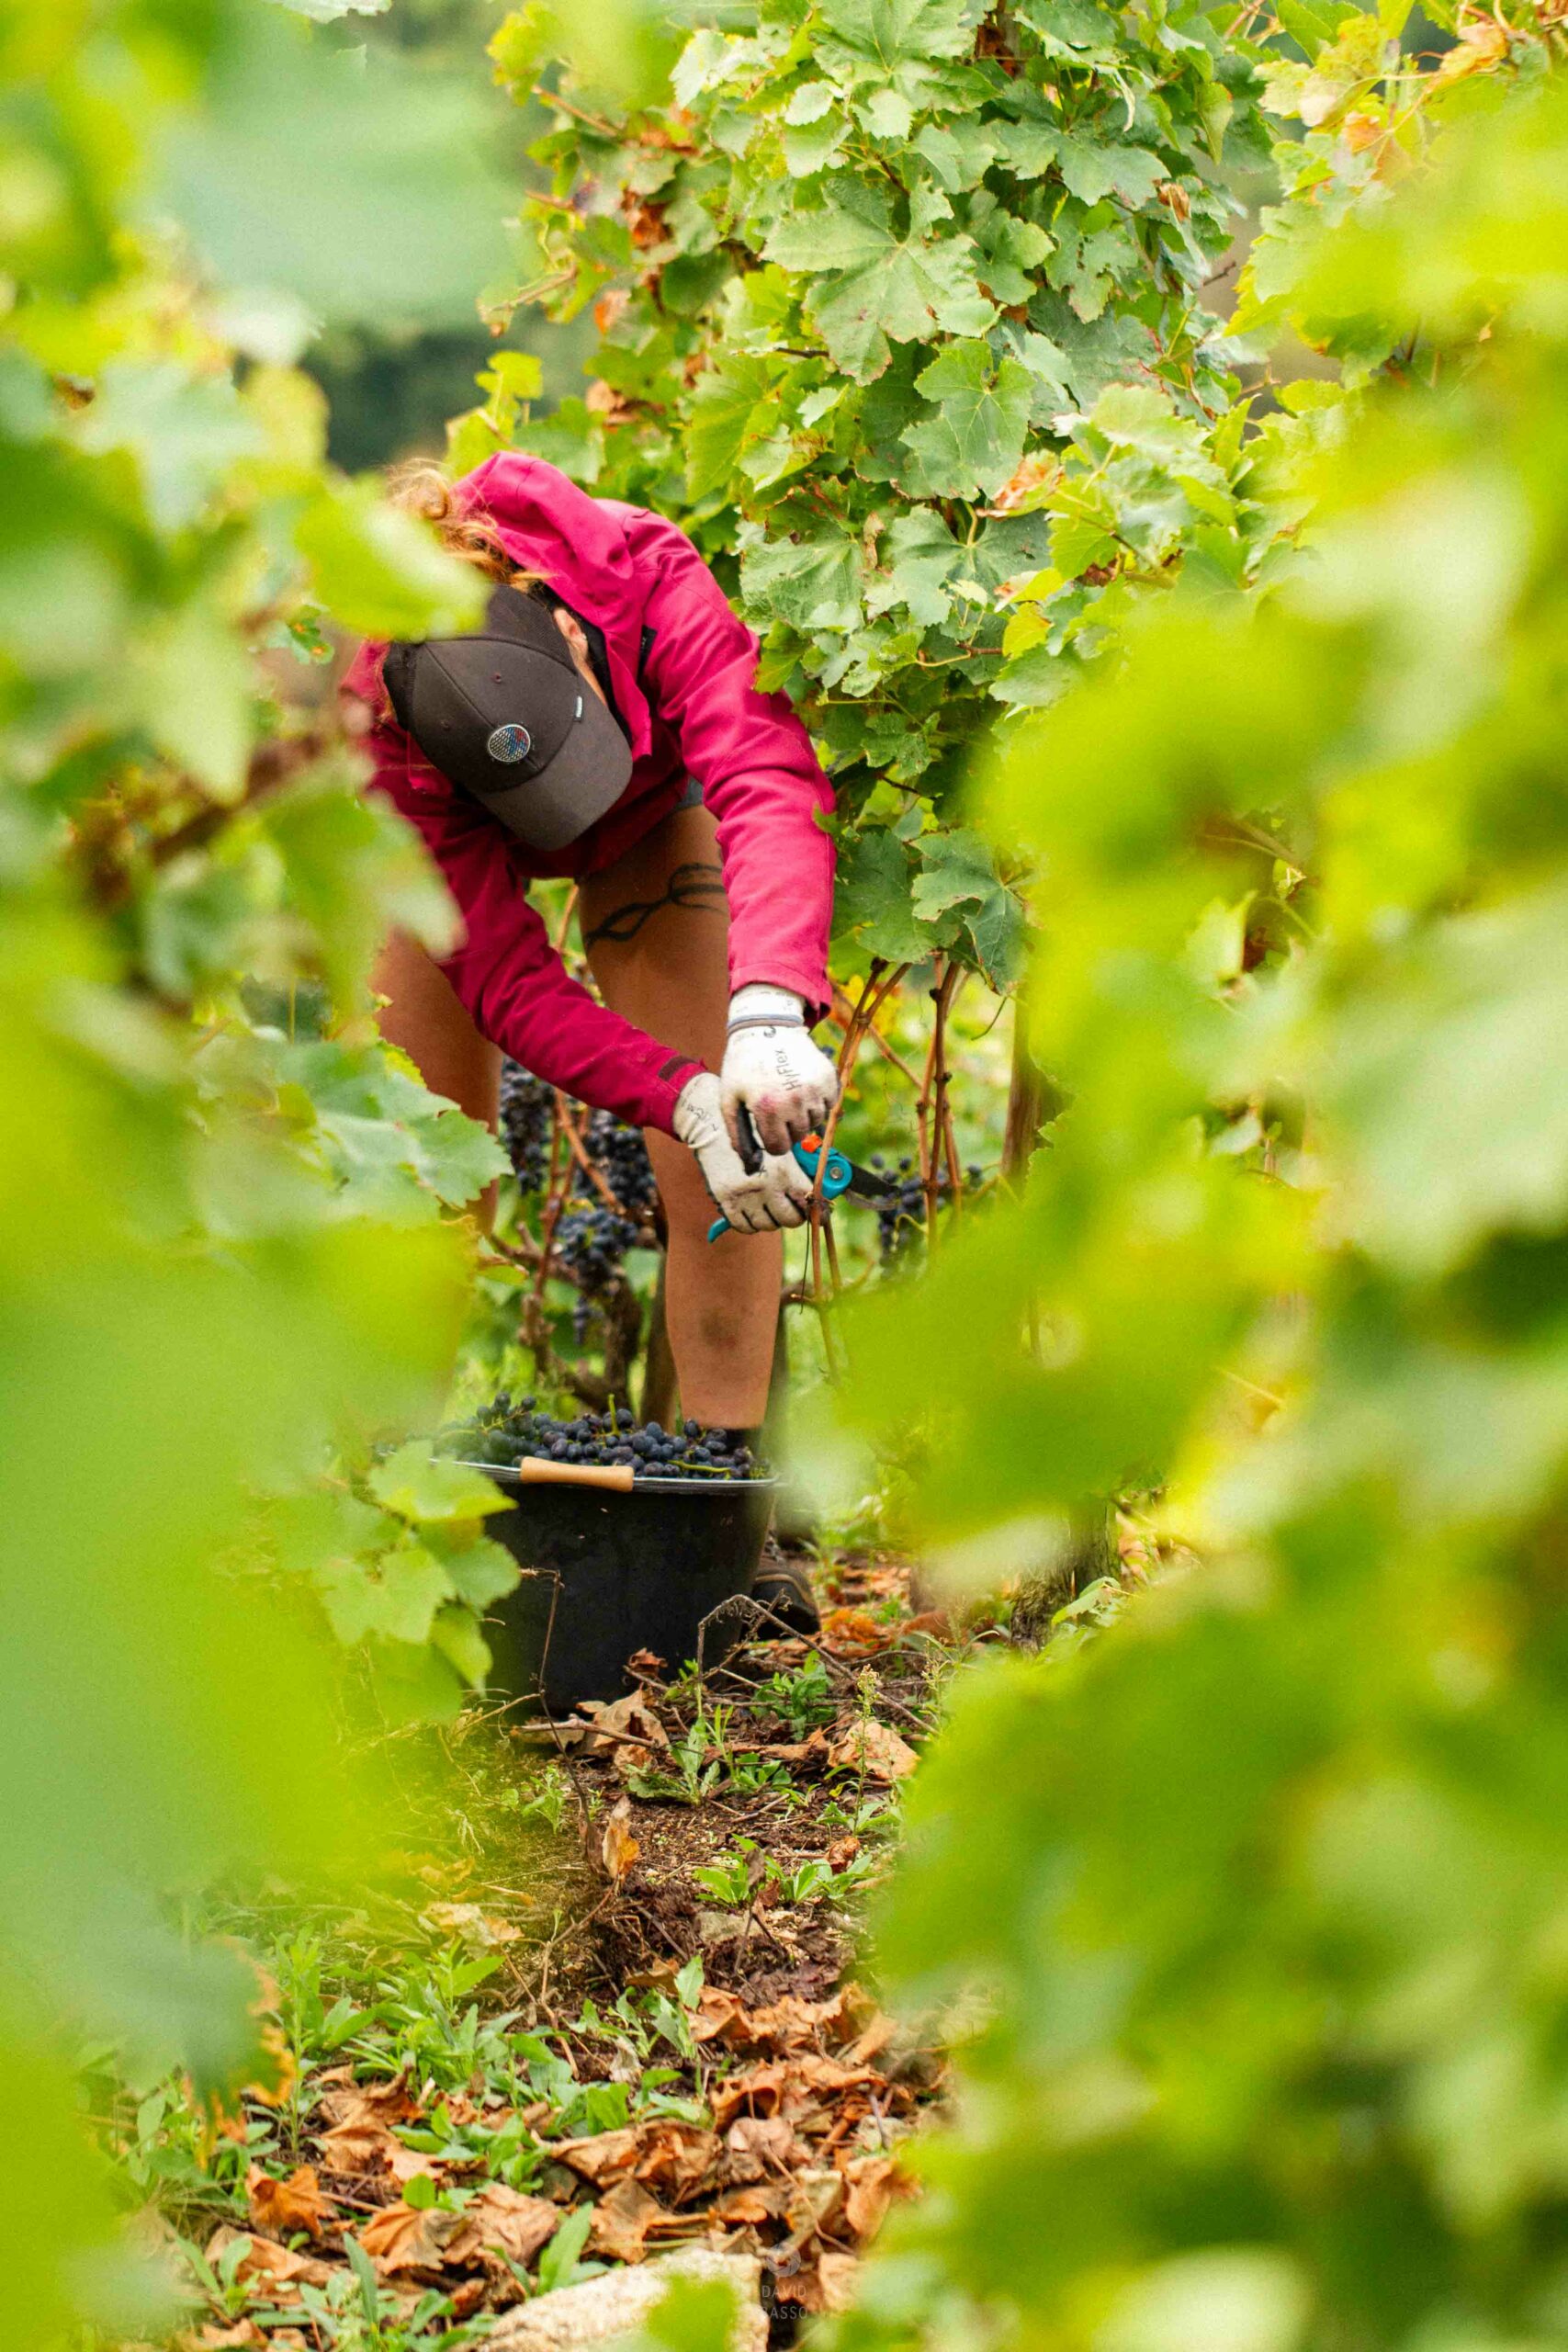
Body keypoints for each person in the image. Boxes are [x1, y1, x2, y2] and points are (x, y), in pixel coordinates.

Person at [341, 451, 839, 1629]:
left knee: (736, 1138)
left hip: (653, 807)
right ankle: (381, 1500)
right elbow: (506, 979)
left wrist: (768, 1009)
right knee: (425, 1160)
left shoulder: (645, 572)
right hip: (444, 833)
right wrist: (672, 1092)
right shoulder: (388, 720)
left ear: (564, 627)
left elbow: (763, 772)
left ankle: (729, 1521)